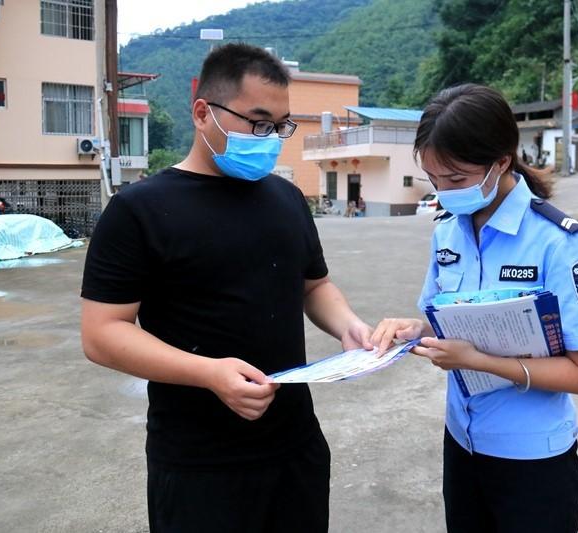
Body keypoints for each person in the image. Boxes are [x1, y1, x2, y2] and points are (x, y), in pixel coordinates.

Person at [80, 43, 374, 533]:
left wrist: (350, 328)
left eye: (280, 126)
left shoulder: (286, 198)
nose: (271, 138)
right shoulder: (138, 211)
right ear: (203, 113)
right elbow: (102, 333)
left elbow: (314, 285)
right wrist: (209, 373)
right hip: (200, 462)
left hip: (295, 445)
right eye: (257, 122)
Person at [371, 84, 578, 533]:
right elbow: (449, 323)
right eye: (434, 180)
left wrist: (478, 361)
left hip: (531, 459)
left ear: (501, 161)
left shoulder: (555, 240)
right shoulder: (448, 231)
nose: (443, 194)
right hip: (462, 444)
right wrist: (413, 330)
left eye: (456, 179)